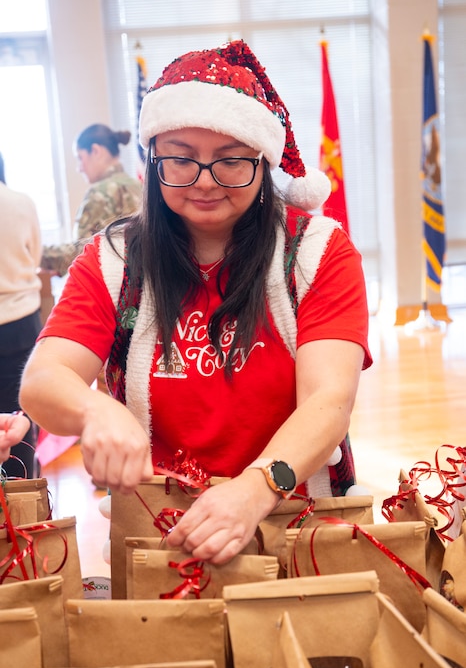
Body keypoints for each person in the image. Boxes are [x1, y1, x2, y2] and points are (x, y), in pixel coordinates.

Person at [20, 40, 372, 565]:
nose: (205, 181)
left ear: (262, 160)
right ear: (153, 160)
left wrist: (256, 488)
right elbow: (42, 382)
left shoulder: (318, 252)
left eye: (231, 160)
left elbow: (329, 402)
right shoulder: (114, 259)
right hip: (160, 528)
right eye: (181, 159)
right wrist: (96, 409)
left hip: (294, 521)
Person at [41, 124, 142, 276]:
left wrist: (35, 252)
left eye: (80, 158)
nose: (79, 168)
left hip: (113, 288)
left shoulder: (100, 193)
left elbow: (80, 252)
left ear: (95, 151)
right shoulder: (139, 186)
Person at [0, 153, 42, 478]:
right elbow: (35, 253)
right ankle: (26, 502)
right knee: (19, 419)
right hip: (22, 318)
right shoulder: (20, 202)